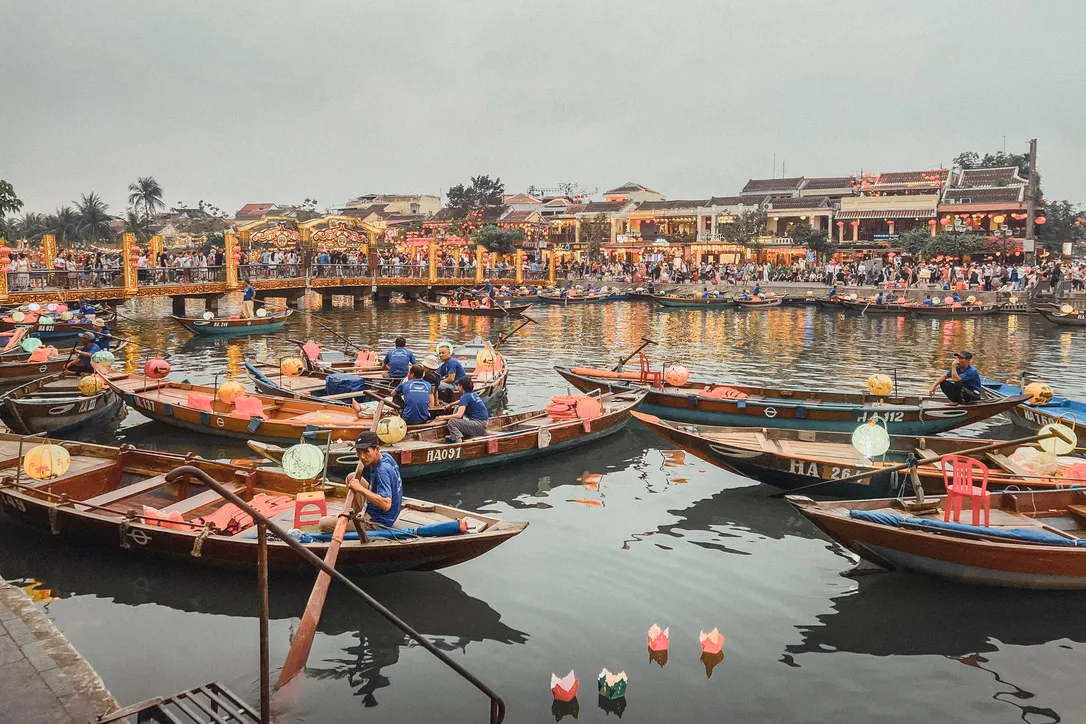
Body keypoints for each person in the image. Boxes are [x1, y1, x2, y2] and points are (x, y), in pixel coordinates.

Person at [318, 431, 403, 533]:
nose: (362, 457)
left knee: (323, 523)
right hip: (381, 512)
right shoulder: (386, 457)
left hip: (378, 521)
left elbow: (386, 504)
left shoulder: (382, 470)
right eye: (359, 452)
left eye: (366, 452)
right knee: (351, 477)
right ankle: (355, 516)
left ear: (377, 449)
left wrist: (360, 489)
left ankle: (358, 522)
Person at [437, 377, 489, 443]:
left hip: (478, 425)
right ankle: (455, 434)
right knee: (457, 408)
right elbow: (461, 401)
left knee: (452, 422)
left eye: (458, 385)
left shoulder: (464, 397)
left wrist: (442, 417)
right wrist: (451, 404)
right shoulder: (473, 394)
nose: (458, 386)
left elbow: (459, 415)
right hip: (483, 423)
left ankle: (459, 441)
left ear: (461, 386)